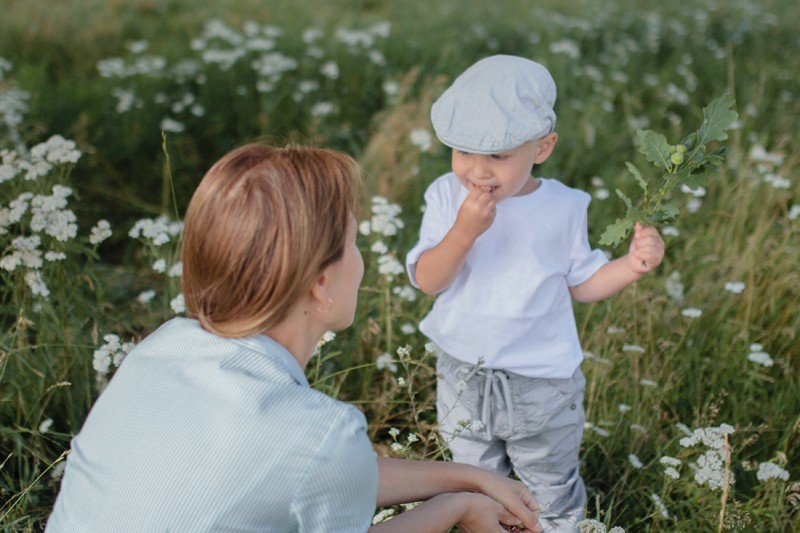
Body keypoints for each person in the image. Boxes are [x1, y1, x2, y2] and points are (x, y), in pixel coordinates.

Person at [46, 143, 542, 532]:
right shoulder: (321, 431)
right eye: (353, 244)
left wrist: (473, 478)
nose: (361, 260)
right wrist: (455, 509)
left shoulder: (161, 347)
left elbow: (314, 471)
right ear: (320, 284)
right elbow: (320, 462)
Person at [405, 55, 665, 531]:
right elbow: (428, 279)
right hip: (464, 369)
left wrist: (631, 266)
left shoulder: (564, 206)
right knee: (474, 477)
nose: (477, 171)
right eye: (464, 152)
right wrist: (464, 231)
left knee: (548, 485)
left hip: (542, 382)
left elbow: (583, 285)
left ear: (542, 147)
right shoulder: (446, 196)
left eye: (498, 156)